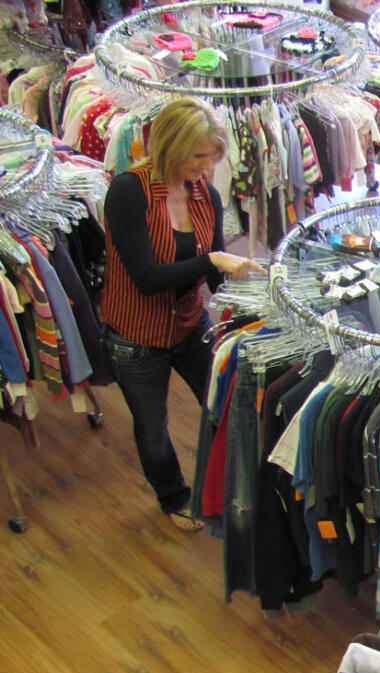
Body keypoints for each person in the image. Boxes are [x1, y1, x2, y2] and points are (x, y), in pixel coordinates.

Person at [100, 98, 264, 531]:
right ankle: (173, 497)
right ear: (171, 146)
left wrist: (252, 310)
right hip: (136, 336)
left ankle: (228, 487)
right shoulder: (128, 193)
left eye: (212, 156)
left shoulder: (205, 195)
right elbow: (147, 278)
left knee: (223, 405)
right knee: (153, 427)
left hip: (191, 324)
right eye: (198, 155)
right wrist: (212, 260)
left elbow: (215, 277)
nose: (207, 166)